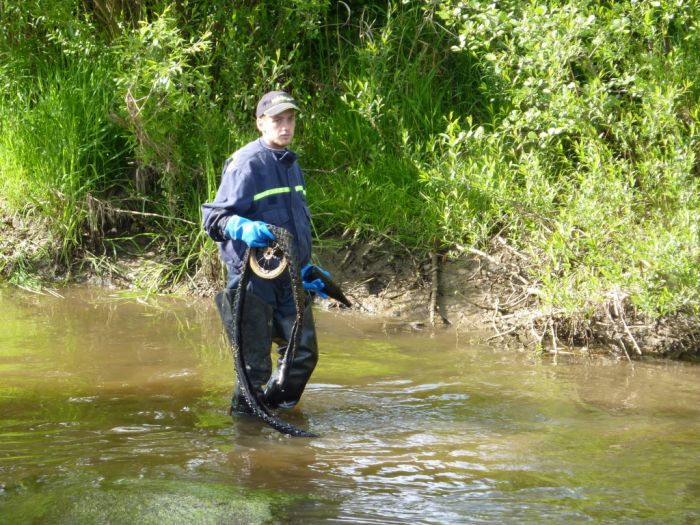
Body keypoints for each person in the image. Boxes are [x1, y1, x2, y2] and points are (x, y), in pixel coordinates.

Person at [202, 91, 329, 416]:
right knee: (253, 369)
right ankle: (248, 433)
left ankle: (274, 414)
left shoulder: (290, 165)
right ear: (261, 123)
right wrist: (242, 227)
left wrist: (306, 268)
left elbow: (295, 224)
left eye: (290, 120)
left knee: (302, 354)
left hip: (289, 279)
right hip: (252, 284)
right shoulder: (246, 163)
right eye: (277, 120)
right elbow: (213, 218)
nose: (285, 127)